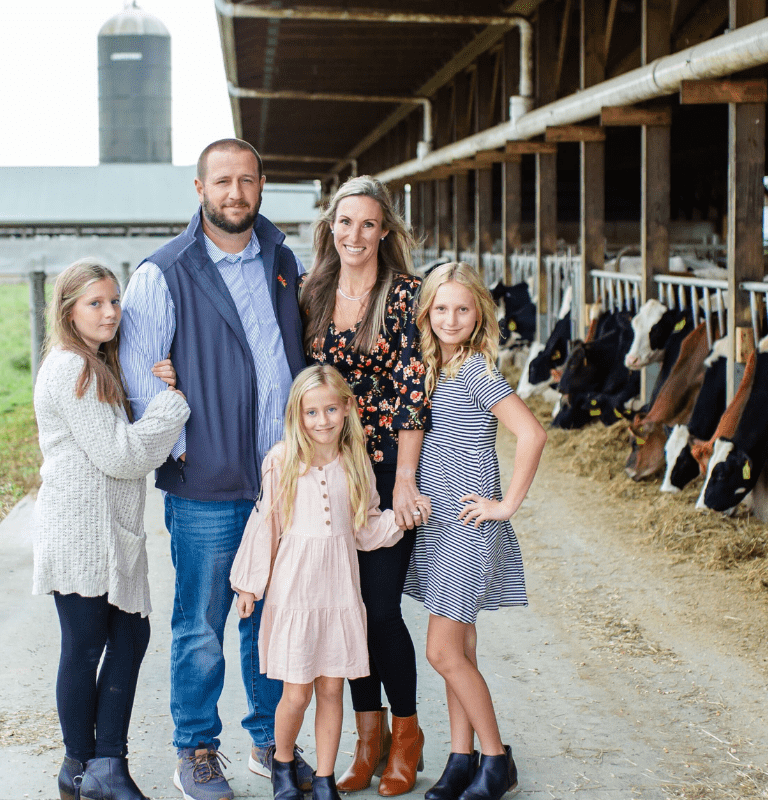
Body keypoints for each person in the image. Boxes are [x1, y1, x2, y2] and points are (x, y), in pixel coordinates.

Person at [119, 138, 311, 800]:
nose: (236, 193)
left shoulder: (283, 261)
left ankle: (268, 740)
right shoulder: (165, 272)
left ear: (262, 187)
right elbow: (139, 374)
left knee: (273, 617)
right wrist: (182, 452)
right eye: (222, 182)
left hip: (281, 480)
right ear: (199, 189)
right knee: (201, 620)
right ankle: (196, 749)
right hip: (206, 483)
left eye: (247, 181)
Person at [32, 258, 190, 800]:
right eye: (94, 303)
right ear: (68, 310)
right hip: (80, 530)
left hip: (107, 528)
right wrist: (172, 407)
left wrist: (152, 383)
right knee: (84, 643)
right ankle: (84, 769)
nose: (110, 312)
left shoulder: (97, 363)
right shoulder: (71, 368)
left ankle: (102, 767)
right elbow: (121, 454)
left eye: (115, 301)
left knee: (127, 633)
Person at [298, 175, 431, 796]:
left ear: (385, 232)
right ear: (331, 226)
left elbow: (411, 389)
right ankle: (366, 737)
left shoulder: (405, 294)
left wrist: (404, 480)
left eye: (368, 224)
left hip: (388, 467)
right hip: (333, 470)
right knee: (346, 609)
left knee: (379, 608)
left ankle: (406, 736)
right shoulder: (312, 292)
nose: (355, 234)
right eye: (345, 222)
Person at [404, 262, 546, 800]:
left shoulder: (477, 372)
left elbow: (532, 434)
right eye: (441, 308)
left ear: (480, 313)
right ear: (427, 312)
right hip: (436, 524)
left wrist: (506, 504)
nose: (450, 318)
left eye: (463, 308)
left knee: (441, 652)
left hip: (467, 525)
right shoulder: (429, 366)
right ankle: (460, 758)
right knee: (460, 650)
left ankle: (495, 758)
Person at [230, 365, 405, 800]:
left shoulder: (355, 460)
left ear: (347, 408)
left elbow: (364, 526)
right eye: (311, 412)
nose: (322, 420)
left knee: (331, 688)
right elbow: (266, 525)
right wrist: (250, 585)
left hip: (339, 590)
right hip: (295, 591)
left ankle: (325, 778)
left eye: (330, 409)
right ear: (298, 415)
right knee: (296, 693)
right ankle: (284, 764)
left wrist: (399, 521)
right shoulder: (282, 459)